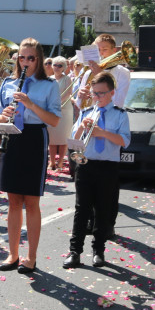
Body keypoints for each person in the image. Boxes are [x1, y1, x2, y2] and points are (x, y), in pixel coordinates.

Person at [0, 38, 61, 274]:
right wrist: (5, 113)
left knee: (31, 202)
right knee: (13, 201)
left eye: (30, 58)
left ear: (39, 59)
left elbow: (53, 120)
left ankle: (31, 257)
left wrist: (31, 105)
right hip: (12, 136)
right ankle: (13, 254)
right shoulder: (7, 83)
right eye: (21, 57)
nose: (25, 62)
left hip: (34, 137)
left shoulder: (49, 85)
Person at [61, 72, 130, 269]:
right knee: (81, 209)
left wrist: (103, 133)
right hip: (86, 163)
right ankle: (75, 252)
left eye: (101, 93)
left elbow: (125, 140)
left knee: (102, 209)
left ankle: (98, 250)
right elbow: (74, 139)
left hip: (108, 165)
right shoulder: (86, 112)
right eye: (94, 93)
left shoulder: (120, 114)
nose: (97, 97)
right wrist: (82, 127)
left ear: (112, 93)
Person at [47, 56, 75, 171]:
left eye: (60, 65)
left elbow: (68, 93)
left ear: (64, 67)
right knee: (52, 137)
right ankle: (52, 162)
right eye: (55, 65)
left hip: (65, 110)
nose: (57, 67)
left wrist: (57, 102)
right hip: (52, 110)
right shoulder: (49, 78)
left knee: (63, 137)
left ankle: (60, 163)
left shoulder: (67, 78)